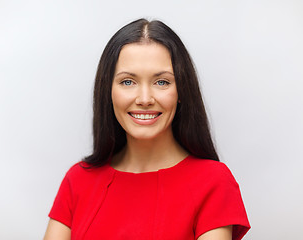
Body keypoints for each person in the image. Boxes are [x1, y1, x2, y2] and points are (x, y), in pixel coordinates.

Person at [44, 18, 250, 240]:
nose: (144, 99)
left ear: (182, 90)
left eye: (161, 82)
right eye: (128, 82)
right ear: (108, 91)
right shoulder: (79, 180)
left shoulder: (213, 182)